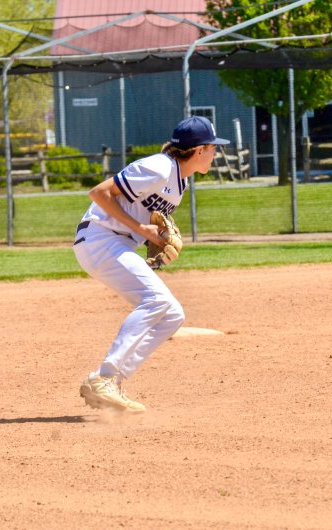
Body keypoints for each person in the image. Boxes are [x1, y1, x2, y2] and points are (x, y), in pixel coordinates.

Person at [74, 116, 229, 413]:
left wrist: (151, 242)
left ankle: (112, 382)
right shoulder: (159, 167)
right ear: (199, 150)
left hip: (115, 243)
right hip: (100, 239)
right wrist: (141, 229)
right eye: (213, 147)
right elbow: (99, 193)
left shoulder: (179, 181)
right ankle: (104, 377)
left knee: (172, 314)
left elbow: (141, 216)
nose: (215, 154)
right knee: (156, 299)